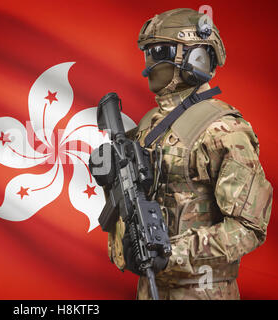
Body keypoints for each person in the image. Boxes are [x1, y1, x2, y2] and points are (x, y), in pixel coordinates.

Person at [106, 8, 273, 300]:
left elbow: (249, 228)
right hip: (150, 288)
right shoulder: (148, 125)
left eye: (160, 51)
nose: (150, 62)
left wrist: (174, 252)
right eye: (148, 51)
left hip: (202, 292)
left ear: (195, 57)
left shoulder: (223, 129)